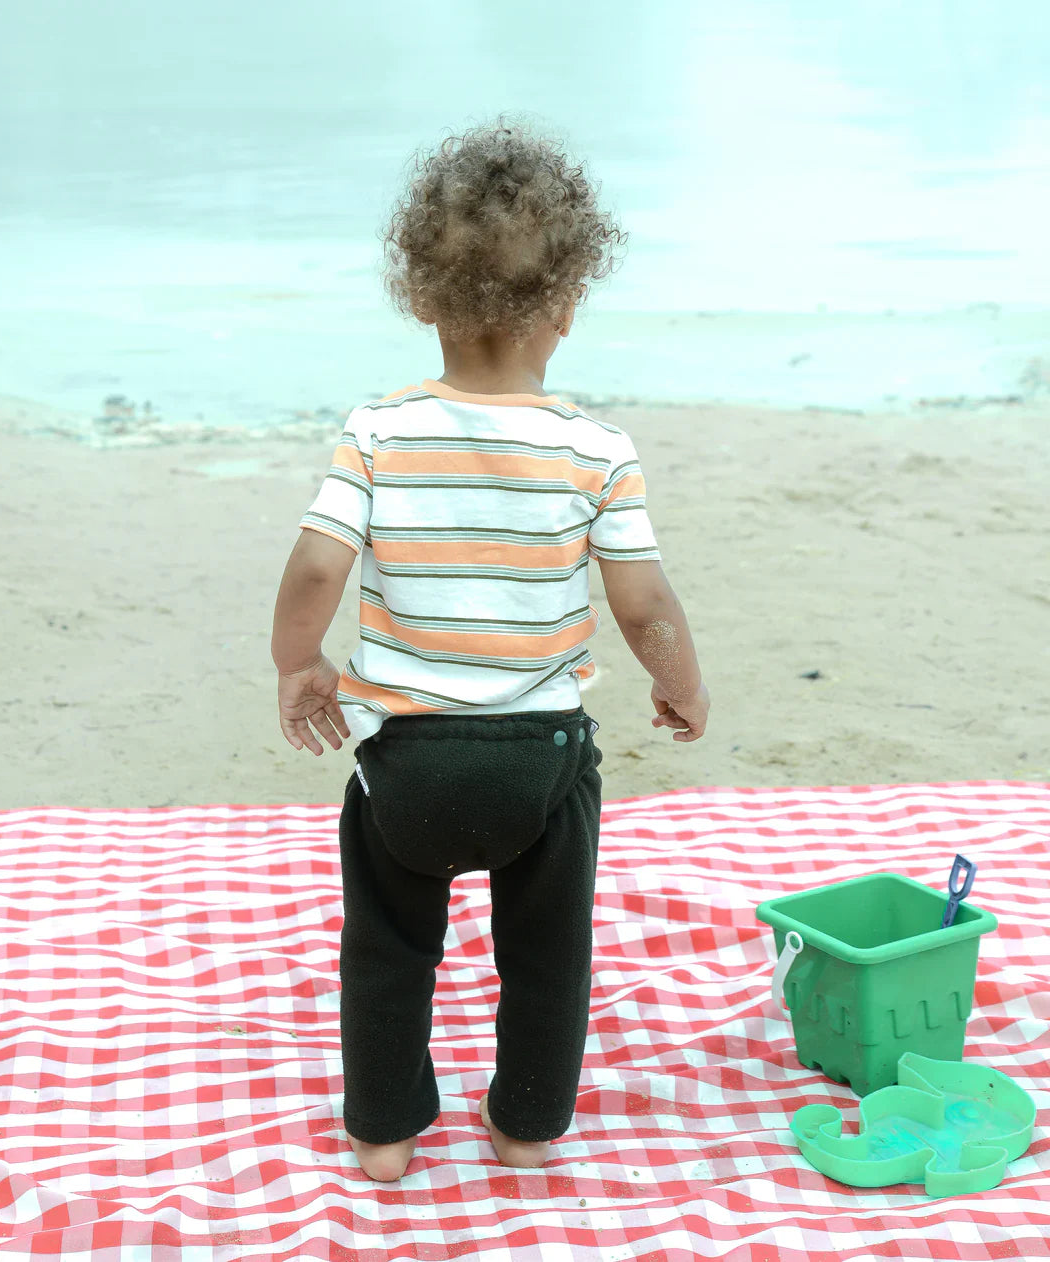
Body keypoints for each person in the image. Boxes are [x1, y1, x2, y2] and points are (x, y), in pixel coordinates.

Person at [271, 113, 710, 1183]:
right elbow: (643, 599)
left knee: (388, 946)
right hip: (539, 759)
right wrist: (681, 682)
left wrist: (298, 663)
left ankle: (383, 1133)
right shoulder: (596, 449)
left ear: (421, 297)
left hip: (406, 756)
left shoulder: (377, 432)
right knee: (547, 952)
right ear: (567, 307)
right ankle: (525, 1123)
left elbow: (318, 564)